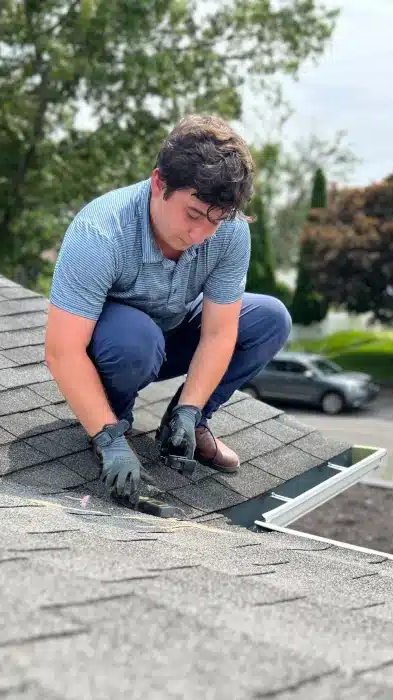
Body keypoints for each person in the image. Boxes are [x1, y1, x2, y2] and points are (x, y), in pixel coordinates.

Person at [45, 114, 292, 505]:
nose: (201, 235)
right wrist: (108, 437)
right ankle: (113, 425)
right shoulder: (100, 232)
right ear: (160, 182)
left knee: (270, 318)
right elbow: (62, 351)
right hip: (118, 347)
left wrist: (190, 408)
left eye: (216, 220)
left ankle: (184, 426)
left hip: (174, 333)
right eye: (193, 215)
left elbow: (218, 332)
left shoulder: (228, 229)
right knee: (137, 341)